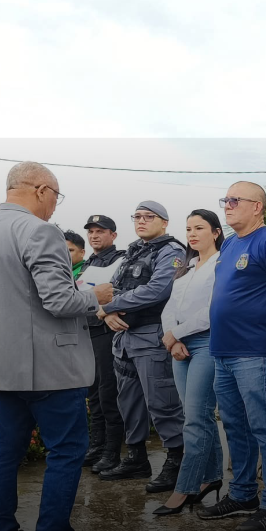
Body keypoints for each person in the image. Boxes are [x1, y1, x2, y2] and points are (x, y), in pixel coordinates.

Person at [0, 161, 113, 531]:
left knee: (4, 450)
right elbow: (60, 302)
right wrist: (96, 296)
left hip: (3, 364)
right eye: (56, 197)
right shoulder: (40, 230)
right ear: (42, 189)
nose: (54, 207)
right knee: (66, 452)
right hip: (51, 366)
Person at [197, 181, 266, 531]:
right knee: (236, 426)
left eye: (234, 200)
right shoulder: (229, 244)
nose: (226, 206)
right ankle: (243, 495)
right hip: (224, 351)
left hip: (255, 351)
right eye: (224, 199)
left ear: (257, 206)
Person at [97, 202, 188, 494]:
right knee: (129, 402)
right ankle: (136, 458)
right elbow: (112, 286)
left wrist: (110, 306)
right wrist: (108, 312)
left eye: (149, 217)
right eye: (137, 216)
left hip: (151, 335)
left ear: (164, 222)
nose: (141, 221)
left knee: (162, 402)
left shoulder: (171, 251)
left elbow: (159, 290)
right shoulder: (133, 250)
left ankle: (176, 460)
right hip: (124, 337)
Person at [154, 209, 227, 516]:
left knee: (195, 419)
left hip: (207, 343)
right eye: (188, 229)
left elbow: (213, 309)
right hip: (180, 345)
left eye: (199, 227)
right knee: (196, 416)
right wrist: (172, 337)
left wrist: (176, 334)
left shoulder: (221, 266)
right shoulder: (187, 268)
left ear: (216, 232)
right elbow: (169, 306)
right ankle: (211, 478)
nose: (193, 233)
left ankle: (184, 488)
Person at [75, 215, 127, 472]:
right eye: (91, 232)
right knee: (93, 394)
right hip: (86, 333)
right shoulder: (87, 264)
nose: (94, 236)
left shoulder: (123, 260)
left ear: (113, 235)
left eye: (100, 231)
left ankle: (112, 451)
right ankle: (96, 446)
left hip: (108, 332)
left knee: (109, 394)